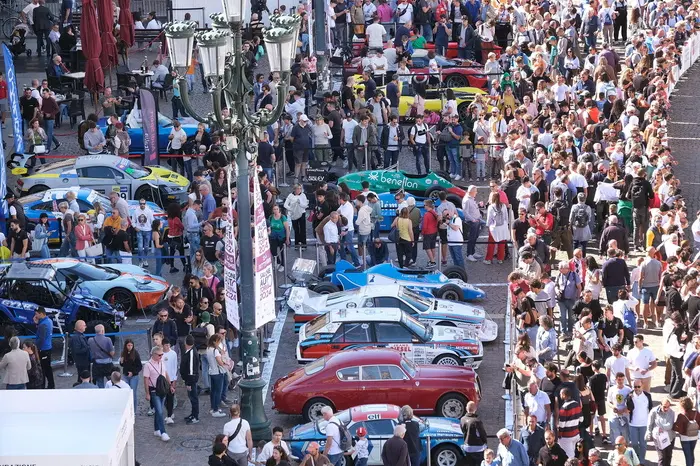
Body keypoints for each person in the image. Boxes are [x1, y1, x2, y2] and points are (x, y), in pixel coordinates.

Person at [143, 345, 171, 442]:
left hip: (162, 389)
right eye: (159, 355)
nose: (161, 356)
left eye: (162, 354)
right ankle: (163, 432)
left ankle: (156, 429)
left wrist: (170, 385)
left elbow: (165, 373)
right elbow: (146, 379)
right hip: (154, 390)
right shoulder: (148, 365)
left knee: (159, 411)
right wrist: (147, 393)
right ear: (154, 354)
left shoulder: (162, 362)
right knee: (159, 411)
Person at [646, 398, 675, 466]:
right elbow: (650, 423)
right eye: (664, 406)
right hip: (658, 437)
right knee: (662, 457)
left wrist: (659, 426)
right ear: (660, 405)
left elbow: (669, 426)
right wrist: (649, 432)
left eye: (668, 407)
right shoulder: (654, 411)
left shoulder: (671, 412)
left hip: (670, 437)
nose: (666, 409)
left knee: (668, 456)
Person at [672, 396, 700, 466]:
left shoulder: (681, 415)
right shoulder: (697, 413)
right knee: (691, 453)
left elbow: (677, 428)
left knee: (687, 455)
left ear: (682, 405)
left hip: (685, 438)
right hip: (694, 436)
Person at [206, 334, 229, 418]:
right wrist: (225, 363)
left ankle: (213, 408)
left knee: (213, 391)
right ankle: (215, 409)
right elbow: (219, 362)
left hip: (211, 372)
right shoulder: (215, 351)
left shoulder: (208, 349)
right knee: (218, 392)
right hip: (218, 372)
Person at [180, 334, 201, 425]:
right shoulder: (190, 351)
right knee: (192, 397)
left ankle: (195, 416)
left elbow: (191, 370)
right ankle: (193, 414)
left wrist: (188, 382)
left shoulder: (191, 353)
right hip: (189, 379)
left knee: (193, 398)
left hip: (191, 380)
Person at [33, 307, 54, 389]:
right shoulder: (49, 321)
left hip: (43, 350)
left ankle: (44, 387)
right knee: (48, 368)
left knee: (43, 370)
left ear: (41, 313)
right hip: (48, 348)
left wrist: (35, 348)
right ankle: (51, 385)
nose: (35, 316)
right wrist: (37, 323)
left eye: (36, 314)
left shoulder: (43, 325)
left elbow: (41, 338)